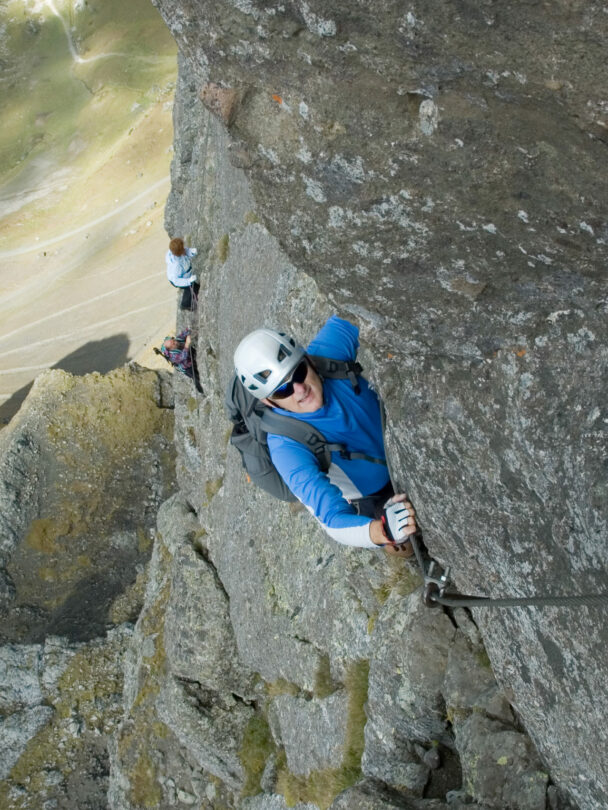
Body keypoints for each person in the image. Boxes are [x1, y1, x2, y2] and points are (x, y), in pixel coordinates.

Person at [233, 315, 417, 556]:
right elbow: (331, 519)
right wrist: (381, 531)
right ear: (268, 402)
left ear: (307, 359)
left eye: (298, 372)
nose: (299, 390)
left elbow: (358, 306)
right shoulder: (286, 447)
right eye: (282, 390)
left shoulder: (328, 356)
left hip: (407, 443)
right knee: (404, 542)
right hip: (378, 494)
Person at [165, 238, 199, 310]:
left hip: (183, 274)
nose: (184, 249)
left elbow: (185, 251)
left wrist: (191, 252)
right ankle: (185, 304)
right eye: (182, 249)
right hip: (177, 279)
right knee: (192, 288)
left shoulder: (176, 251)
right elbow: (177, 281)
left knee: (193, 287)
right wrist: (189, 281)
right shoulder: (176, 265)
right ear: (179, 253)